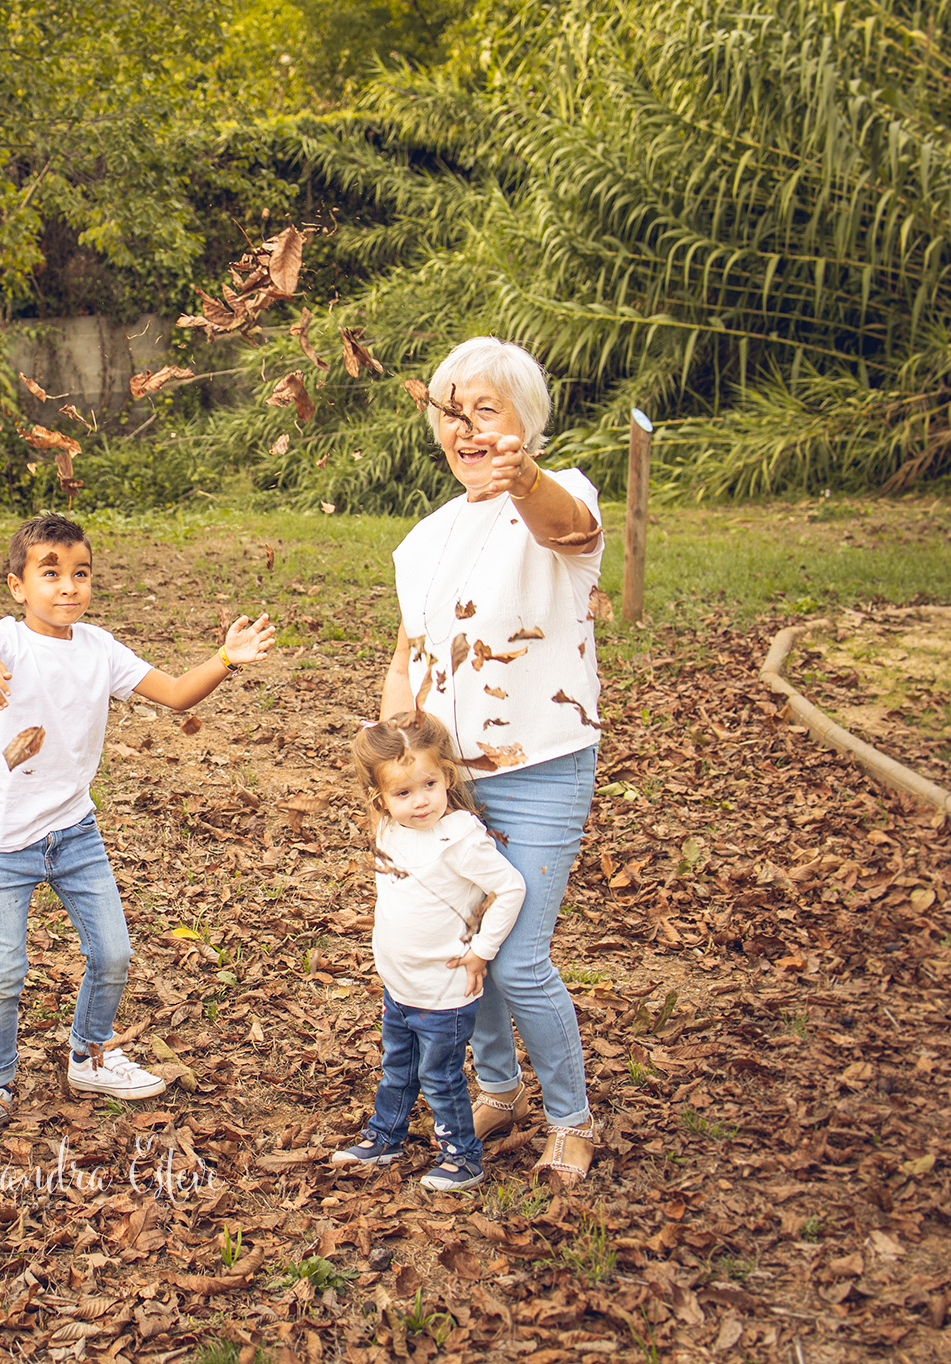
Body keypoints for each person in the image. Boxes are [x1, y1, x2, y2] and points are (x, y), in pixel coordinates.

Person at [0, 512, 277, 1134]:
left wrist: (226, 657)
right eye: (51, 574)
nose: (68, 587)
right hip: (4, 843)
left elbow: (175, 693)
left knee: (114, 952)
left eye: (80, 574)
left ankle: (90, 1053)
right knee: (3, 970)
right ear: (18, 586)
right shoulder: (7, 638)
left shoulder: (100, 647)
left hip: (74, 833)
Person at [381, 336, 607, 1187]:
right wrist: (393, 763)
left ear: (525, 424)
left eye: (487, 410)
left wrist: (522, 480)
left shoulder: (557, 492)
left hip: (541, 766)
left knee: (514, 956)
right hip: (451, 784)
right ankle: (500, 1088)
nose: (467, 428)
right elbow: (411, 654)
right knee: (455, 944)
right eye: (453, 412)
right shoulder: (424, 539)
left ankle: (572, 1117)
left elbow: (570, 530)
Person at [328, 714, 525, 1192]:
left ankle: (462, 1157)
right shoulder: (389, 829)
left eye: (429, 785)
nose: (420, 801)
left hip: (444, 988)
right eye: (403, 793)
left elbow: (511, 887)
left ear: (447, 779)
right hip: (401, 984)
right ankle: (386, 1136)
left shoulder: (458, 838)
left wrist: (482, 951)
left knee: (440, 1077)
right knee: (397, 1066)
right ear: (379, 798)